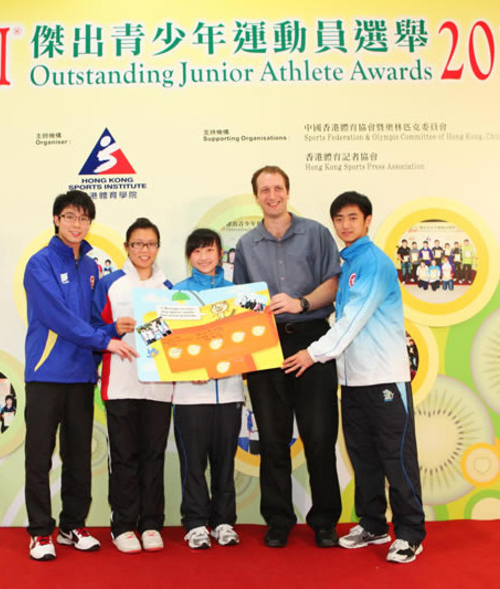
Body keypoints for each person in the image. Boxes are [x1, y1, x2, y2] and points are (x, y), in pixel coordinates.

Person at [282, 191, 425, 564]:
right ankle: (374, 524)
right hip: (354, 380)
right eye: (339, 219)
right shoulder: (347, 264)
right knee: (364, 458)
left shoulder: (374, 263)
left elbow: (351, 322)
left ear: (367, 220)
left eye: (352, 218)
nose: (345, 225)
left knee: (396, 459)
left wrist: (310, 354)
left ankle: (410, 532)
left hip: (384, 379)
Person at [23, 190, 137, 561]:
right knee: (39, 457)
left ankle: (72, 526)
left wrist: (112, 329)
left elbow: (88, 321)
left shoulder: (91, 267)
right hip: (45, 374)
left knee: (78, 456)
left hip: (81, 375)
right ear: (56, 219)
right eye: (70, 216)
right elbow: (57, 318)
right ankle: (41, 532)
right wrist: (105, 341)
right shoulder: (39, 264)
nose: (77, 224)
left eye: (84, 218)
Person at [232, 165, 342, 549]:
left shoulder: (315, 233)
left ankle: (325, 521)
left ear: (288, 191)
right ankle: (278, 520)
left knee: (319, 436)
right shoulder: (246, 245)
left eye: (278, 188)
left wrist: (302, 302)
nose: (272, 195)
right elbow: (240, 302)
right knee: (273, 440)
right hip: (266, 346)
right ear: (256, 196)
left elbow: (333, 281)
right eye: (265, 189)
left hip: (312, 339)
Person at [91, 217, 173, 554]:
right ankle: (123, 525)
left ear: (157, 247)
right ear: (127, 247)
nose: (144, 250)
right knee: (123, 456)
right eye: (137, 244)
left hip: (159, 388)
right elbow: (92, 329)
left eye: (150, 244)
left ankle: (151, 523)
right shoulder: (110, 284)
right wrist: (112, 328)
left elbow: (178, 340)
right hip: (121, 384)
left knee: (154, 455)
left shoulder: (170, 289)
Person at [172, 228, 244, 550]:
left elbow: (247, 344)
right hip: (190, 395)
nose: (204, 257)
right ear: (189, 256)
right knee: (193, 463)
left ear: (220, 254)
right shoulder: (177, 293)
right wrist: (191, 369)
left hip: (229, 392)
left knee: (225, 461)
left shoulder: (237, 294)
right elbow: (164, 343)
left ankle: (224, 521)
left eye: (210, 250)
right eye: (197, 251)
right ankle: (196, 523)